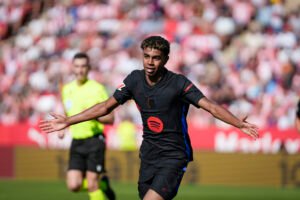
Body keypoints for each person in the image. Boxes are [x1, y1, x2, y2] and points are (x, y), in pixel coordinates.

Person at [40, 36, 259, 200]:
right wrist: (69, 121)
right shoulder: (134, 80)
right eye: (146, 56)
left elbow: (210, 106)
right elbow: (106, 106)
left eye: (156, 58)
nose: (150, 62)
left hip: (174, 156)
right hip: (149, 155)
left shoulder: (179, 83)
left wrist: (238, 123)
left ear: (165, 59)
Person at [59, 52, 116, 200]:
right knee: (74, 185)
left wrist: (93, 115)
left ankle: (97, 185)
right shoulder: (67, 89)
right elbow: (67, 112)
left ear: (89, 68)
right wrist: (63, 127)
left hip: (95, 141)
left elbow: (111, 118)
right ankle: (103, 185)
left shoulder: (97, 88)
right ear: (72, 68)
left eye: (83, 66)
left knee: (91, 184)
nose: (80, 70)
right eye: (77, 66)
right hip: (77, 142)